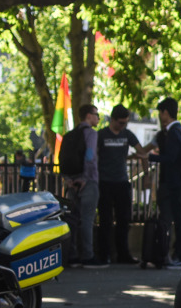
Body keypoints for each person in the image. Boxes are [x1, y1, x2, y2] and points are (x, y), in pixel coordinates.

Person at [147, 97, 181, 268]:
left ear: (165, 113)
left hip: (176, 182)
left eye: (160, 113)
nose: (160, 117)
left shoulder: (173, 133)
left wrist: (151, 157)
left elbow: (171, 158)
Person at [97, 105, 145, 264]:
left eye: (125, 123)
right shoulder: (101, 135)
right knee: (105, 220)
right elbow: (93, 156)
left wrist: (147, 175)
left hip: (122, 182)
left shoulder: (127, 134)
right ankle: (104, 254)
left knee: (124, 220)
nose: (123, 126)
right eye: (120, 123)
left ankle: (123, 254)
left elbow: (142, 152)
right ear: (112, 120)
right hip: (104, 182)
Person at [62, 104, 105, 268]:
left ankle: (71, 255)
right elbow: (90, 156)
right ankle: (88, 255)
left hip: (71, 182)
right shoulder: (91, 134)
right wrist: (86, 178)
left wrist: (68, 179)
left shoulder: (70, 135)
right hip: (87, 181)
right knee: (87, 219)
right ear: (88, 116)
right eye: (96, 115)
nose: (98, 118)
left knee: (72, 219)